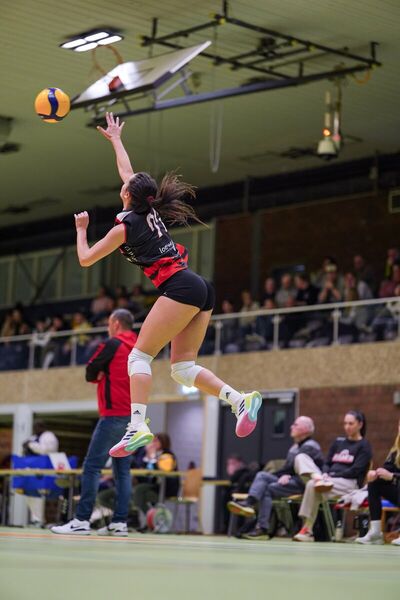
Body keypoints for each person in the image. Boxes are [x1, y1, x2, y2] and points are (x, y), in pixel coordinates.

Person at [73, 112, 262, 458]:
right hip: (200, 287)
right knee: (182, 369)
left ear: (127, 194)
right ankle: (239, 400)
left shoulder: (123, 228)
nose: (124, 181)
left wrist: (82, 230)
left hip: (180, 288)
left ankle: (137, 426)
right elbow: (127, 172)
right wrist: (116, 140)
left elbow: (85, 259)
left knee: (138, 356)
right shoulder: (147, 209)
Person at [51, 308, 137, 536]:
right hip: (132, 418)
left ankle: (81, 520)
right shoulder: (139, 346)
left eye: (109, 324)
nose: (108, 328)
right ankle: (119, 523)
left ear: (116, 324)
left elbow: (90, 371)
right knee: (122, 472)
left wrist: (101, 375)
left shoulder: (112, 344)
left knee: (92, 467)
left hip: (112, 415)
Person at [227, 416, 324, 540]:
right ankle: (250, 504)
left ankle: (262, 527)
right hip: (291, 480)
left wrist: (288, 475)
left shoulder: (311, 446)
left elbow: (300, 468)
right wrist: (282, 475)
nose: (291, 427)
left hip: (304, 483)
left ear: (305, 429)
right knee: (262, 476)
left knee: (268, 489)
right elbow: (287, 468)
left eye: (295, 425)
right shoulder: (294, 447)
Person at [293, 411, 372, 542]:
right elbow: (327, 463)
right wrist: (324, 474)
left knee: (312, 485)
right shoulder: (338, 442)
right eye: (345, 423)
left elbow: (355, 471)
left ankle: (307, 530)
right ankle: (316, 477)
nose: (347, 427)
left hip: (348, 483)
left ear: (360, 424)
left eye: (351, 423)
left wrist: (332, 476)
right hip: (326, 480)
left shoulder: (364, 446)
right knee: (301, 457)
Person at [356, 420, 400, 546]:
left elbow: (391, 475)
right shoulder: (396, 448)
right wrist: (376, 473)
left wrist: (392, 476)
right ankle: (376, 532)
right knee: (374, 483)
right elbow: (388, 468)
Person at [22, 420, 59, 526]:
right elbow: (25, 449)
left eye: (38, 426)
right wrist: (27, 445)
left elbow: (45, 450)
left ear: (43, 427)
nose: (36, 429)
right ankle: (36, 519)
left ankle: (47, 520)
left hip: (47, 471)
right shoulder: (33, 437)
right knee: (31, 494)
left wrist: (31, 445)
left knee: (45, 496)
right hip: (32, 471)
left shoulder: (49, 436)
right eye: (35, 427)